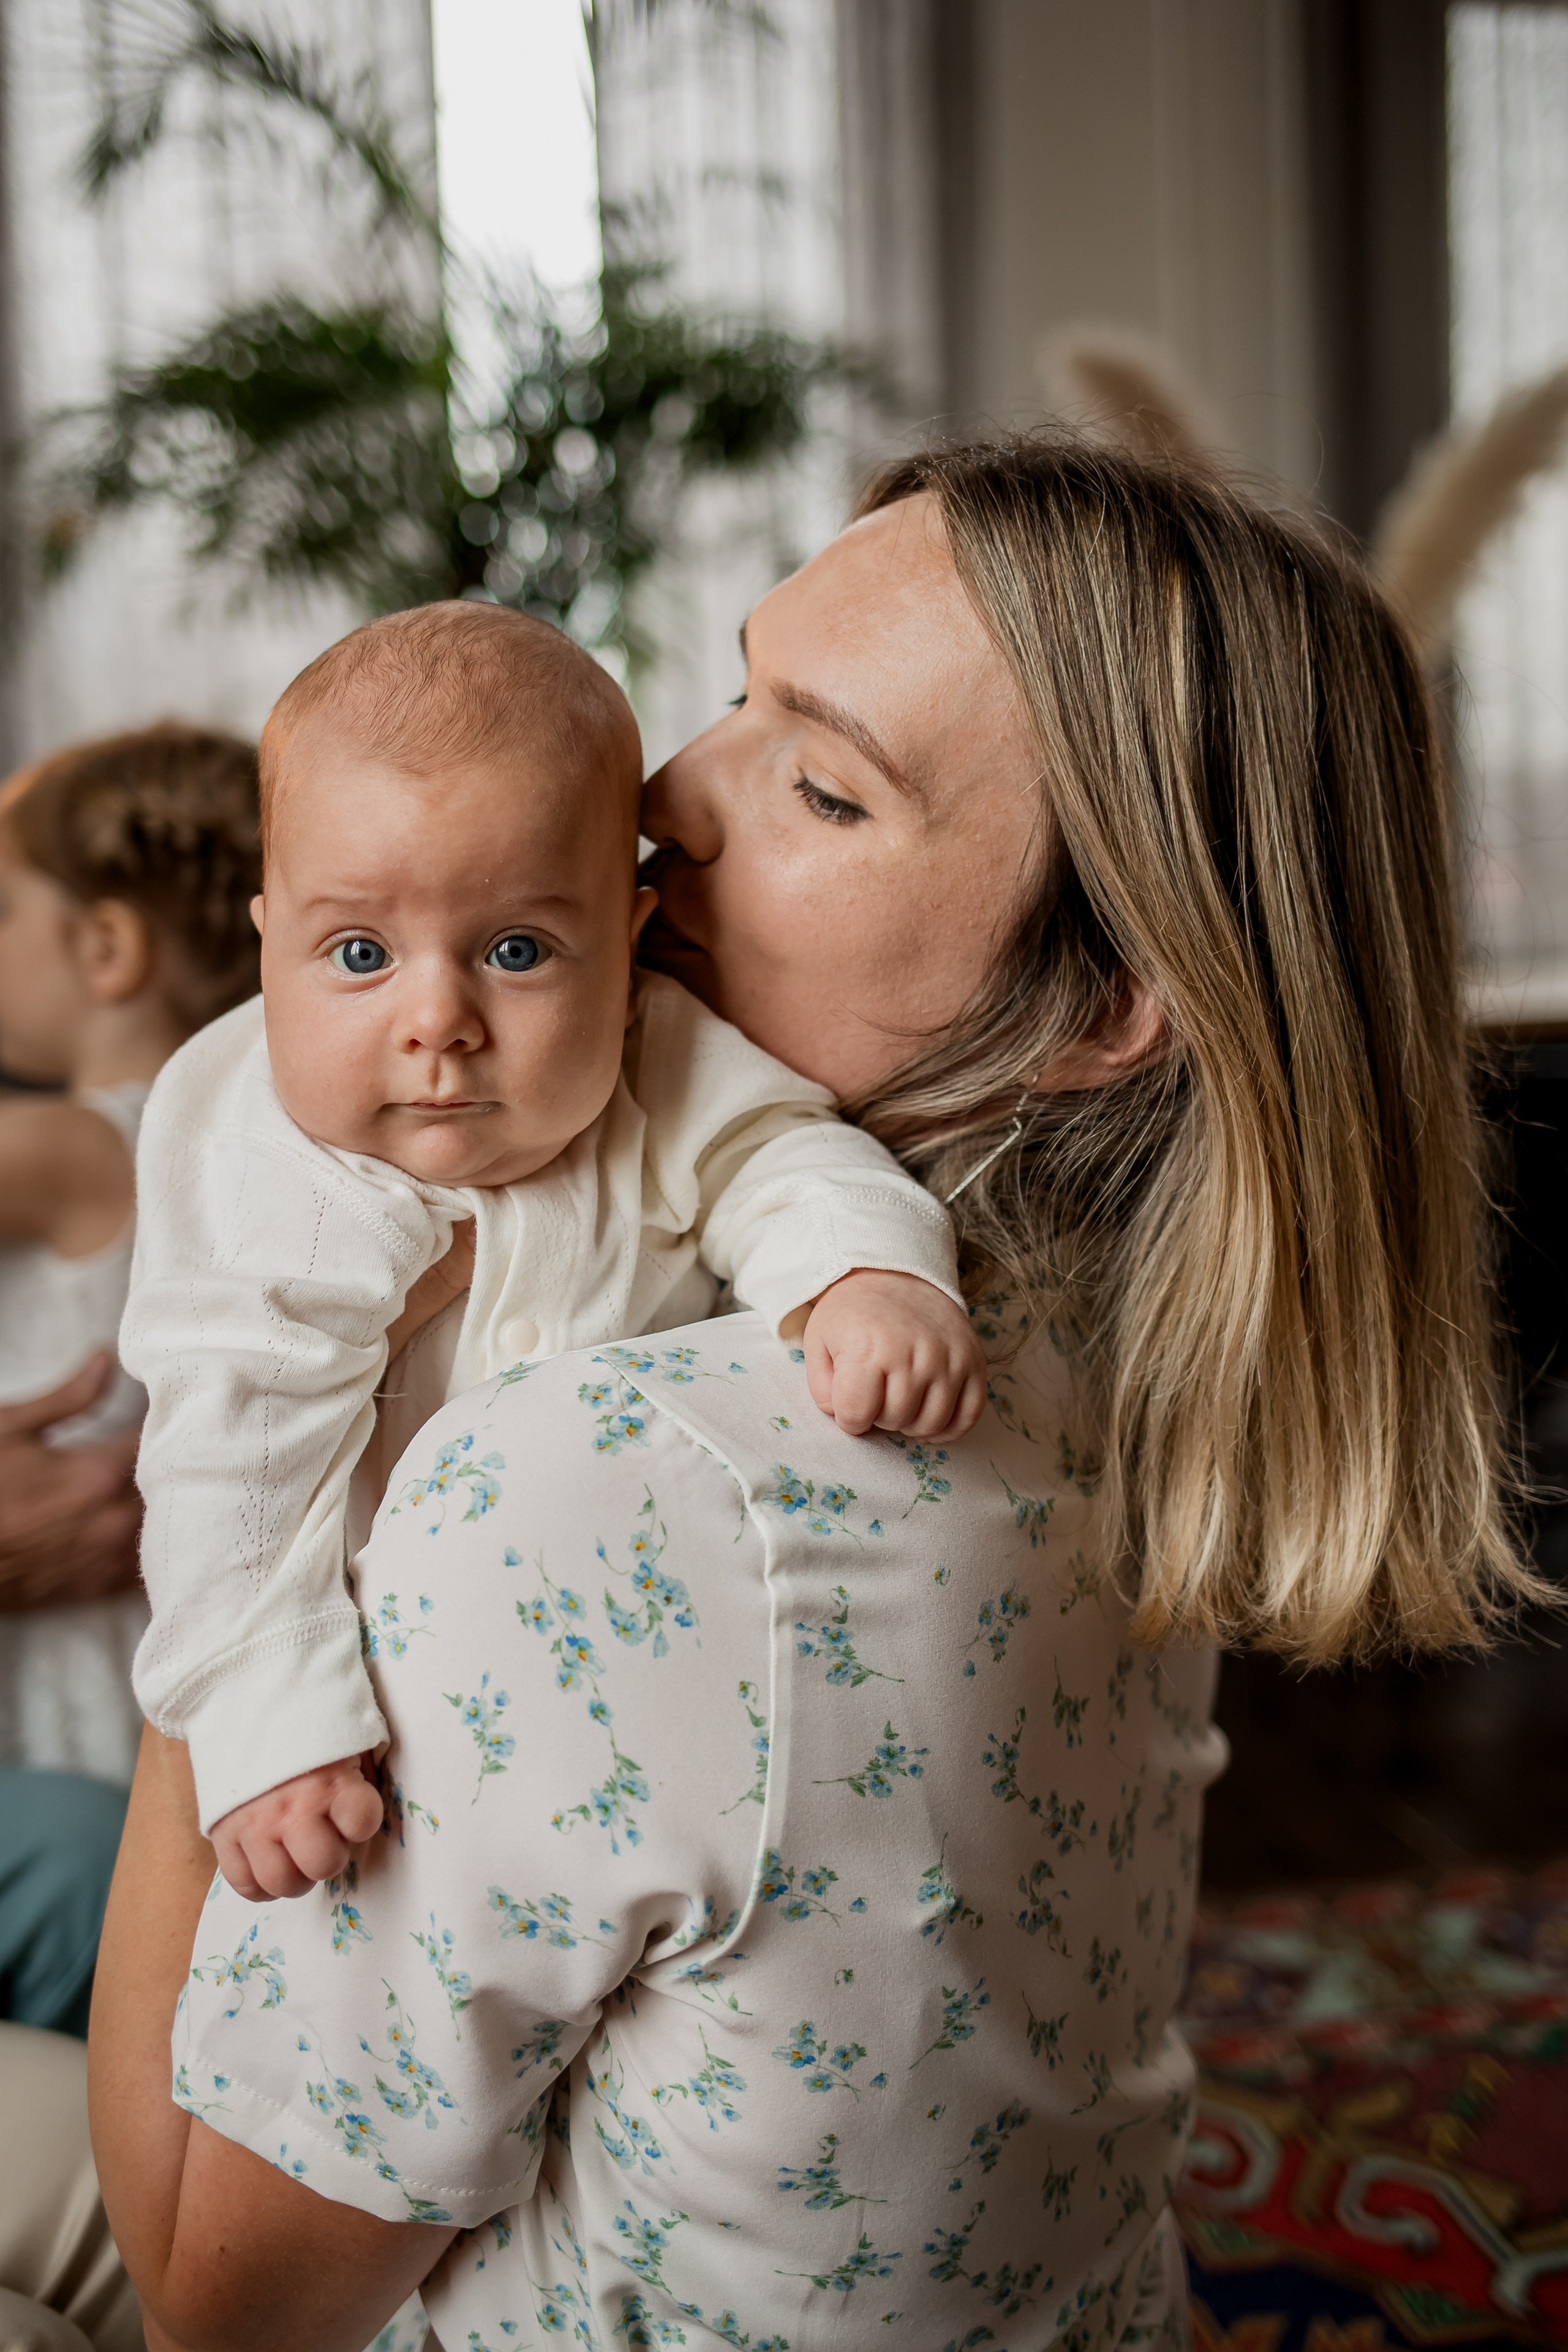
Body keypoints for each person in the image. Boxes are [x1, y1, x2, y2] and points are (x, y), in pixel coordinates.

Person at [90, 437, 1529, 2352]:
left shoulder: (590, 1488)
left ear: (1107, 1001)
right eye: (738, 693)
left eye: (825, 785)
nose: (666, 800)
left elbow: (215, 2303)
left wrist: (241, 1567)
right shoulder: (1127, 1359)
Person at [121, 603, 983, 1903]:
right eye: (358, 954)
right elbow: (230, 1459)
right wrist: (271, 1722)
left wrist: (860, 1273)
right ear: (268, 945)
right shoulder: (264, 1156)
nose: (437, 1021)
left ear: (626, 945)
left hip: (649, 1688)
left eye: (516, 950)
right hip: (383, 1725)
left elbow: (782, 1157)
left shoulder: (656, 1057)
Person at [0, 722, 262, 1789]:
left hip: (61, 1617)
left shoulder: (69, 1146)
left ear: (108, 948)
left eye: (4, 911)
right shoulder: (233, 1139)